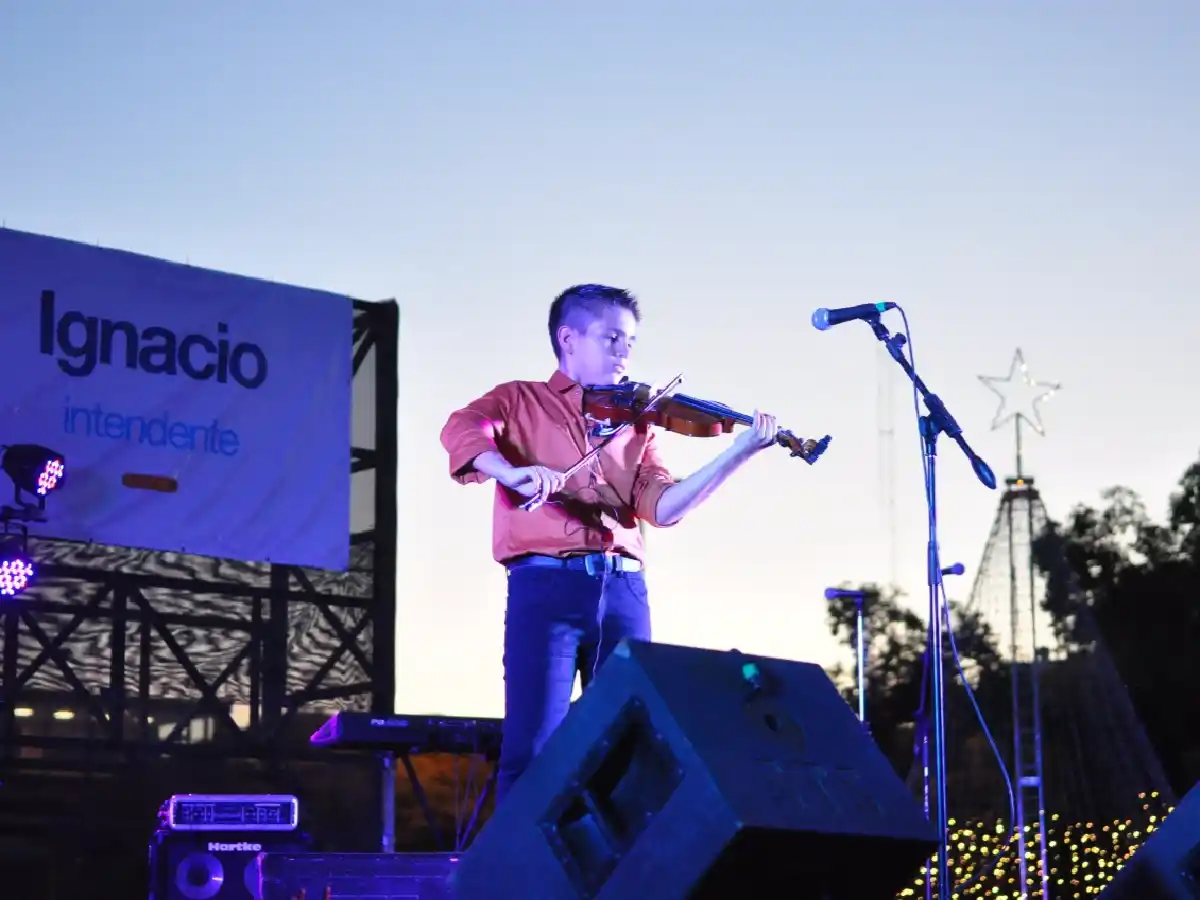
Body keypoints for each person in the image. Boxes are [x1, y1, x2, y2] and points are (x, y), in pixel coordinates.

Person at [439, 283, 780, 805]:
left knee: (628, 751)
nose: (625, 352)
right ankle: (519, 859)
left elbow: (662, 507)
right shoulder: (520, 399)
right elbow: (463, 428)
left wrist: (738, 453)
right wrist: (510, 472)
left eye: (631, 342)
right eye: (612, 338)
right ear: (568, 338)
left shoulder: (637, 425)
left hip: (624, 592)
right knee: (535, 749)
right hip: (546, 589)